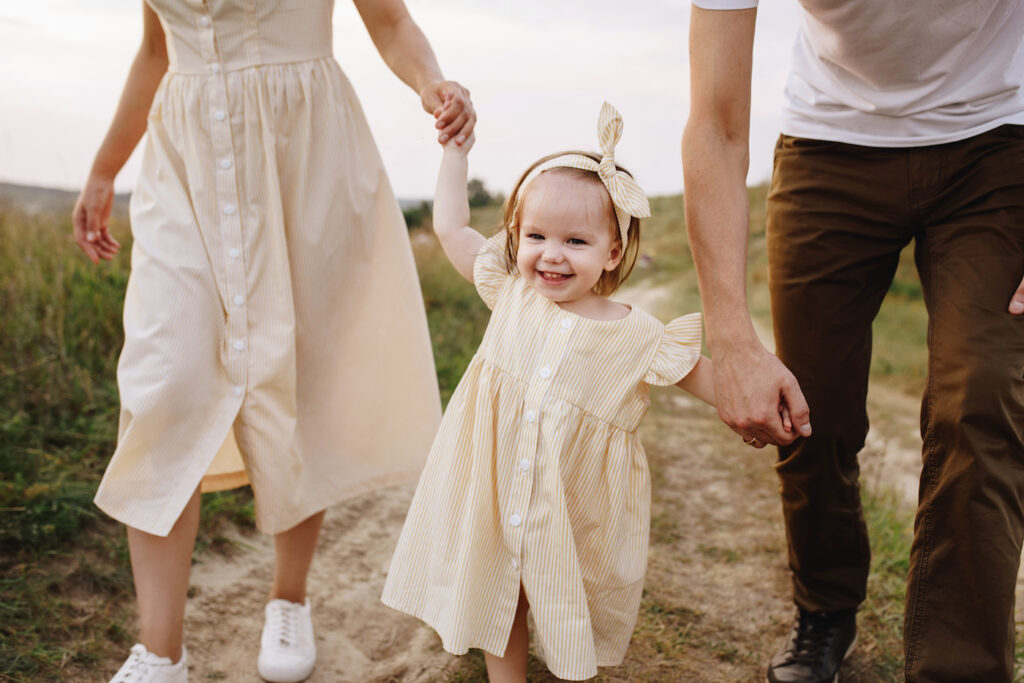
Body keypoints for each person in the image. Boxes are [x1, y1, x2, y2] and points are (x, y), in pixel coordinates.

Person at [71, 2, 475, 682]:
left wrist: (431, 83)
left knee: (297, 379)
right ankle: (160, 653)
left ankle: (289, 599)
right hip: (185, 166)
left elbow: (390, 21)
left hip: (304, 153)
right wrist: (105, 168)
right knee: (161, 380)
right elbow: (156, 48)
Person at [682, 2, 1024, 681]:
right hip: (829, 143)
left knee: (981, 400)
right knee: (810, 405)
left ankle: (960, 670)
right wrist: (734, 341)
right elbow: (716, 125)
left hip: (997, 140)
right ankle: (825, 608)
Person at [380, 102, 718, 682]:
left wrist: (766, 406)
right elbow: (451, 227)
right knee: (500, 591)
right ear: (516, 236)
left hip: (570, 505)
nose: (552, 253)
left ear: (612, 253)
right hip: (494, 483)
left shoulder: (639, 336)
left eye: (576, 240)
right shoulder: (510, 292)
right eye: (536, 235)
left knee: (561, 598)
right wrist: (454, 155)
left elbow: (709, 380)